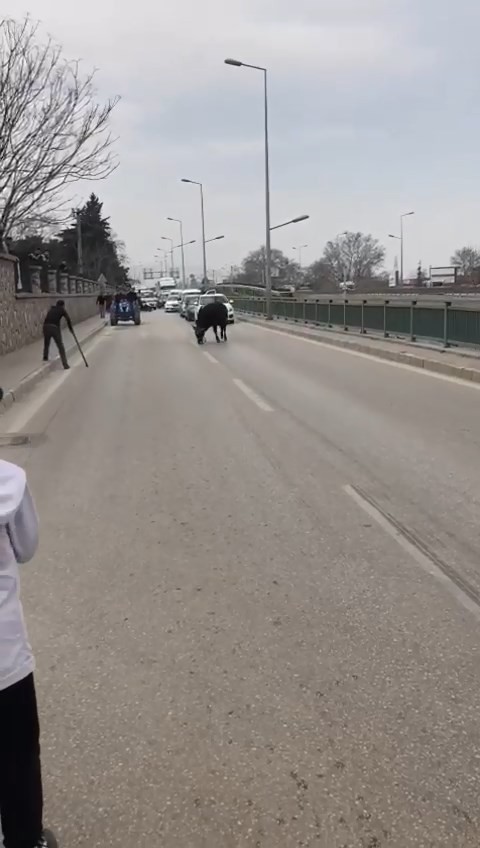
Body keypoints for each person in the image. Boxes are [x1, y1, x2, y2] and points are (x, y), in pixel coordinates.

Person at [0, 460, 58, 848]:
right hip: (4, 661)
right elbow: (26, 547)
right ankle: (25, 841)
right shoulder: (8, 480)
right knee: (17, 757)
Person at [42, 300, 73, 370]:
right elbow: (68, 319)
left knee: (46, 343)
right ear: (63, 305)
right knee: (60, 346)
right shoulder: (62, 310)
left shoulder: (52, 309)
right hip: (54, 328)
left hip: (45, 326)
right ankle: (65, 364)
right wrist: (71, 329)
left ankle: (45, 357)